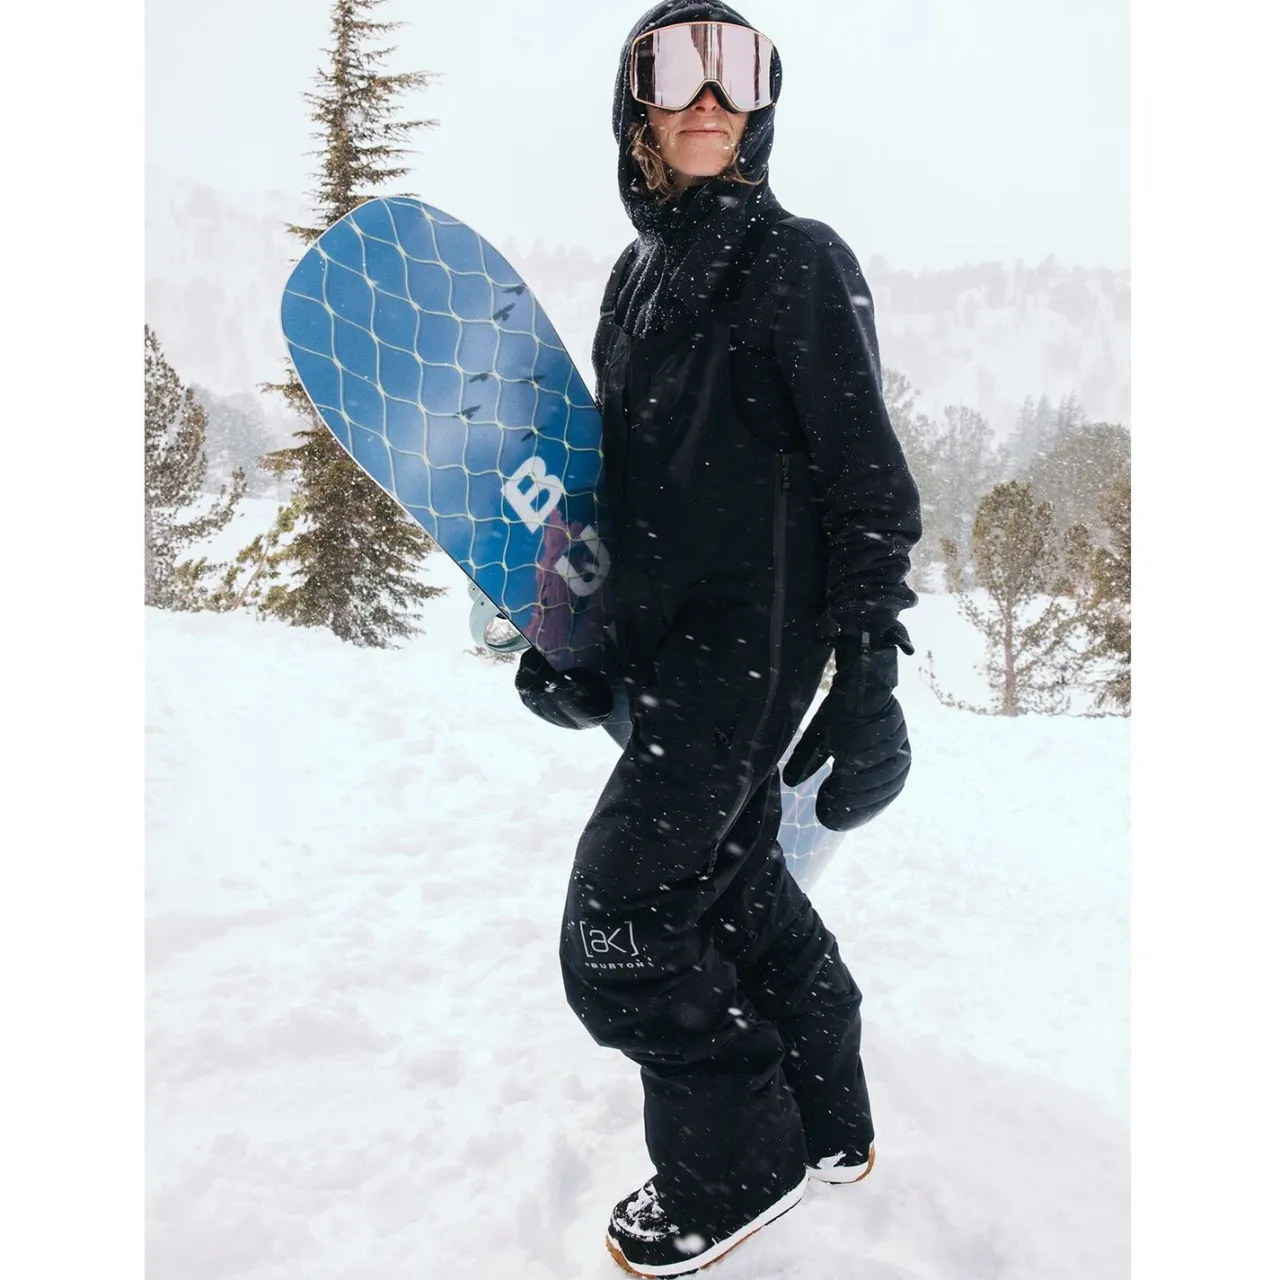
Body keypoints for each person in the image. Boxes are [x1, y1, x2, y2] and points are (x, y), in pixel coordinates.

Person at [514, 2, 922, 1274]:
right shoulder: (633, 280)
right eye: (674, 67)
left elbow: (868, 487)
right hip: (665, 652)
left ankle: (734, 1163)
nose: (706, 95)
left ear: (762, 101)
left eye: (735, 68)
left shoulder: (796, 261)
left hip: (747, 657)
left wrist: (867, 677)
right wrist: (575, 640)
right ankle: (827, 1116)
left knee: (619, 922)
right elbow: (619, 490)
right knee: (732, 879)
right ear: (632, 104)